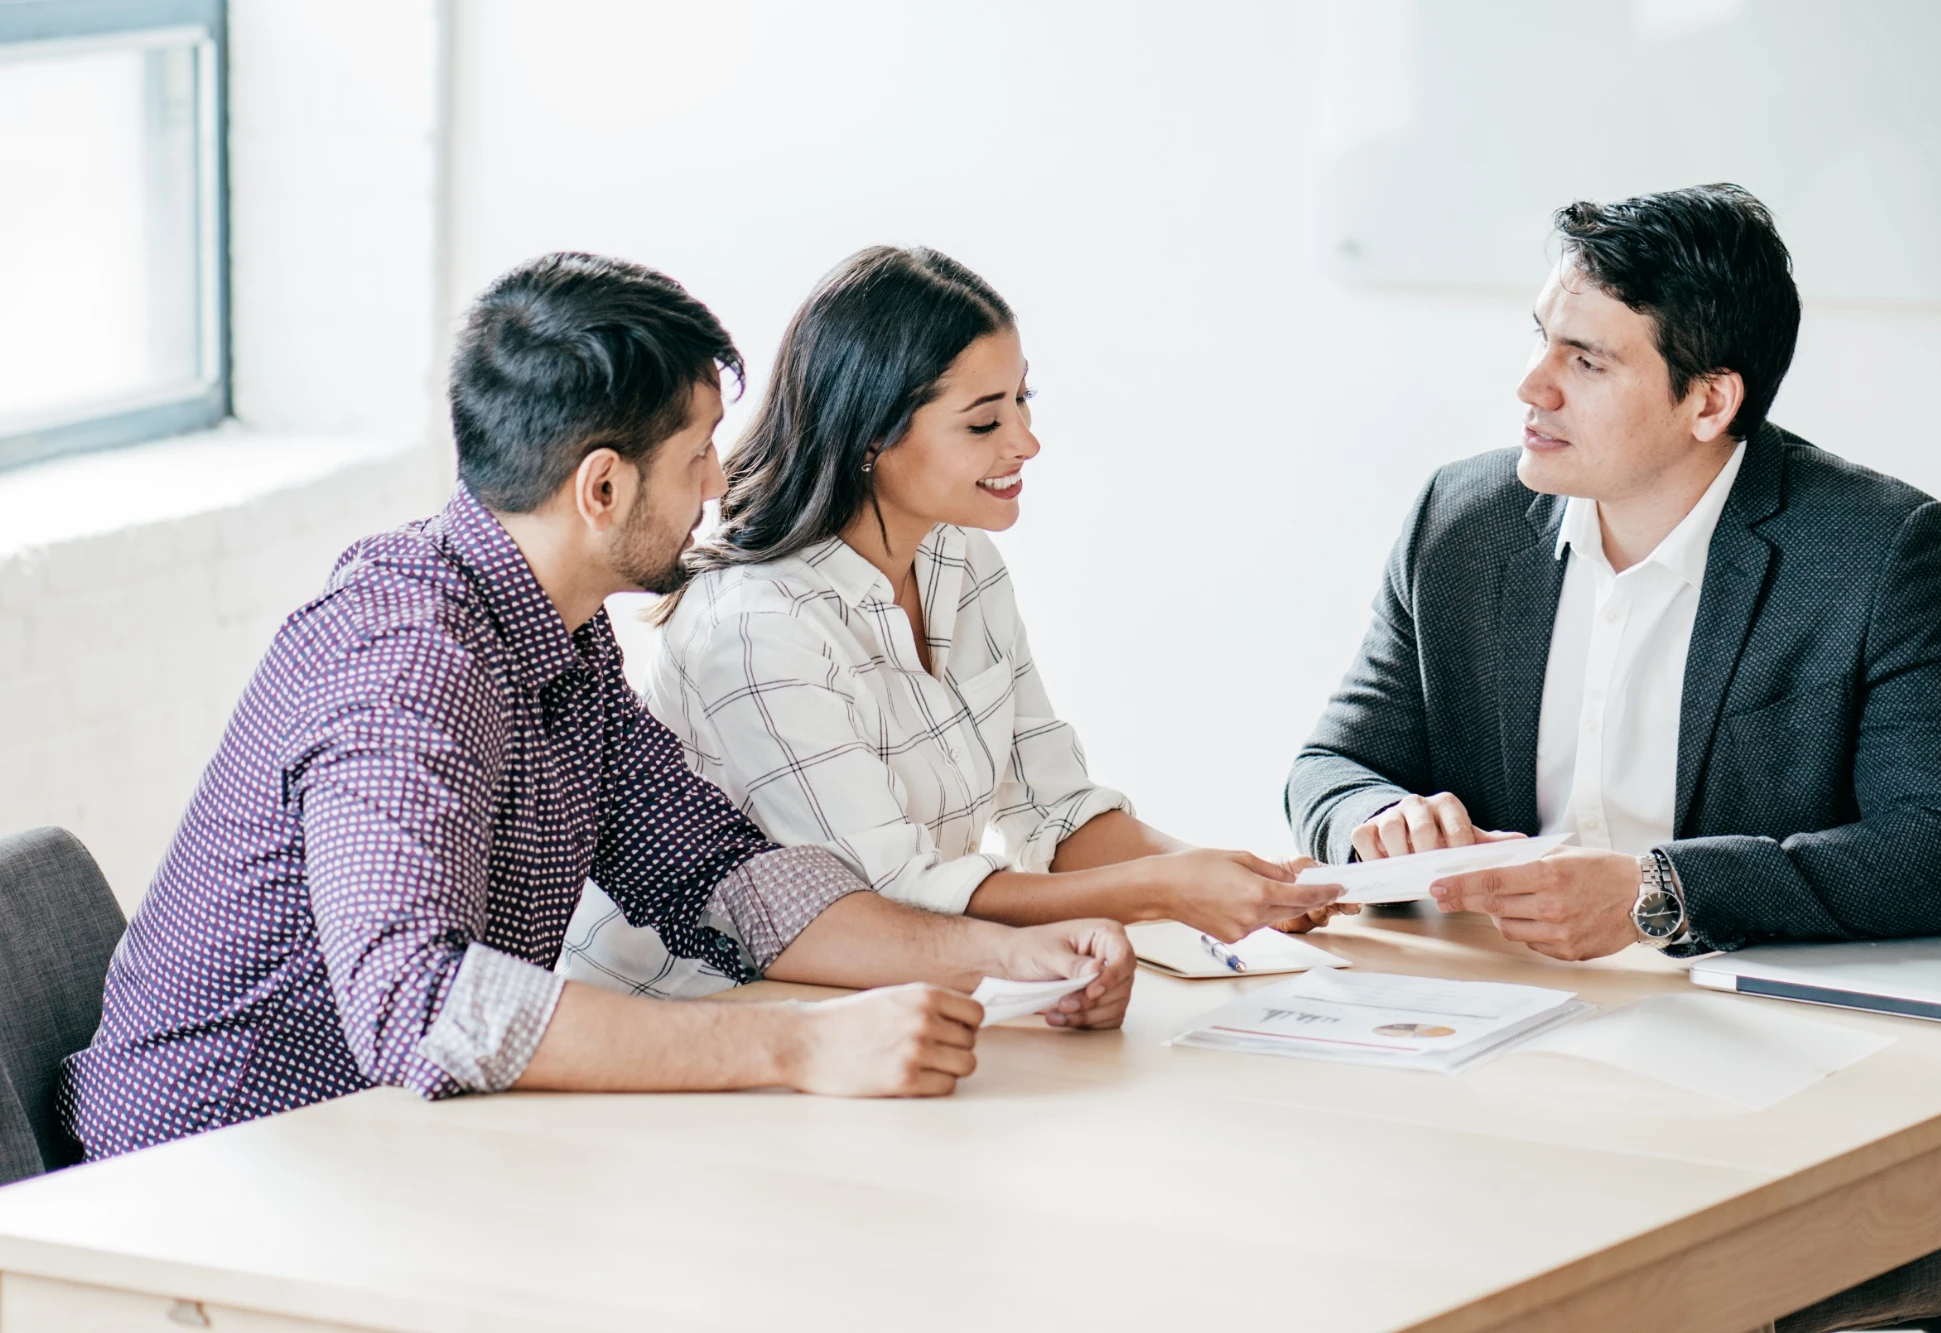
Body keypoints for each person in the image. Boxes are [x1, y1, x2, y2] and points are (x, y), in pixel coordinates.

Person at [61, 253, 1136, 1162]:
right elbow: (421, 1006)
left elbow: (722, 876)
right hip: (218, 1171)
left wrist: (1004, 958)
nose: (720, 482)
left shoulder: (556, 638)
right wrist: (799, 1045)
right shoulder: (406, 663)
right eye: (698, 453)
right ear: (602, 488)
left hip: (389, 1151)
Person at [1285, 185, 1941, 1333]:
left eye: (1585, 360)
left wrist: (1656, 894)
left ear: (1708, 400)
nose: (1531, 387)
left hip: (1769, 1070)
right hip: (1502, 1049)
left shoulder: (1876, 550)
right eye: (1537, 340)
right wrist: (1379, 814)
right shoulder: (1458, 521)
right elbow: (1329, 762)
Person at [561, 246, 1343, 1000]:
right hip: (706, 1004)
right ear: (872, 434)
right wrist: (1166, 892)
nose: (1027, 443)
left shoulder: (960, 558)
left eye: (1023, 401)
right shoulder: (756, 623)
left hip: (893, 988)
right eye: (982, 423)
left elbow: (1051, 808)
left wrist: (1238, 881)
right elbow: (893, 899)